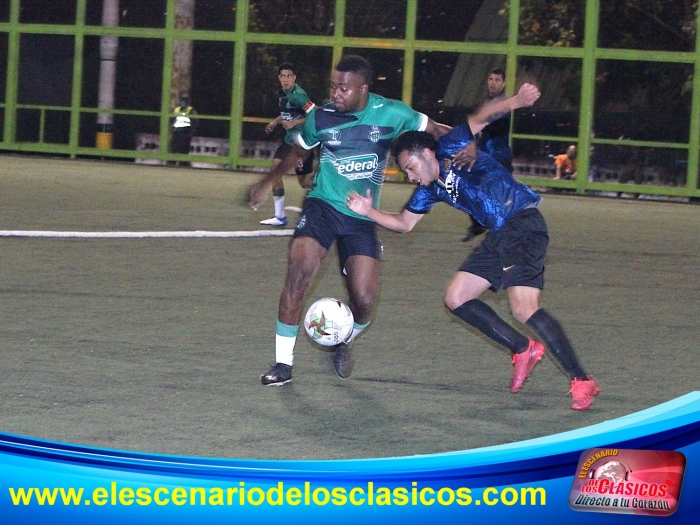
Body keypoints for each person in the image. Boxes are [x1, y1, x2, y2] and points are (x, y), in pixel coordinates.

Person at [346, 83, 601, 411]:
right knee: (457, 297)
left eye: (410, 167)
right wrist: (369, 212)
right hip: (500, 234)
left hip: (521, 223)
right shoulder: (430, 189)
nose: (410, 176)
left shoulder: (449, 147)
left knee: (524, 307)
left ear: (427, 154)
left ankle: (581, 380)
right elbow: (405, 223)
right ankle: (523, 348)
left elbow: (481, 118)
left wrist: (516, 101)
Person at [248, 55, 452, 386]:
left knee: (365, 300)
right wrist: (267, 181)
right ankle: (283, 364)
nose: (336, 94)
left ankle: (345, 339)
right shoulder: (321, 117)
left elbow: (438, 131)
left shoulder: (392, 113)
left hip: (361, 215)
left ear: (363, 88)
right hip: (323, 207)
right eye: (333, 87)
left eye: (344, 88)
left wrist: (472, 148)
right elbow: (299, 151)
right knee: (299, 273)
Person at [260, 62, 317, 227]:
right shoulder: (283, 93)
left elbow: (315, 114)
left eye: (289, 76)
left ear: (294, 78)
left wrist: (294, 123)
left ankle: (330, 184)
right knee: (275, 173)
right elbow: (287, 113)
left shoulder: (299, 96)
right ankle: (279, 216)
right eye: (283, 76)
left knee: (305, 182)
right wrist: (275, 122)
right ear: (279, 78)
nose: (286, 79)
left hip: (301, 142)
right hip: (288, 141)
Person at [463, 68, 513, 242]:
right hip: (486, 155)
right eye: (491, 79)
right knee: (470, 187)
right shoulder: (488, 102)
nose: (493, 83)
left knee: (497, 196)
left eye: (497, 80)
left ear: (503, 83)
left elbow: (492, 125)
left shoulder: (504, 103)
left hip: (498, 157)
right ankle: (479, 224)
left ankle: (496, 230)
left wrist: (477, 122)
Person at [170, 96, 196, 166]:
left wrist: (191, 132)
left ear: (187, 103)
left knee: (184, 148)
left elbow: (195, 121)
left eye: (184, 102)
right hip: (177, 131)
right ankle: (172, 162)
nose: (183, 103)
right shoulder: (177, 109)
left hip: (185, 132)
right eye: (182, 101)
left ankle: (183, 163)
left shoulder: (191, 110)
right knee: (174, 147)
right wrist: (172, 128)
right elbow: (172, 119)